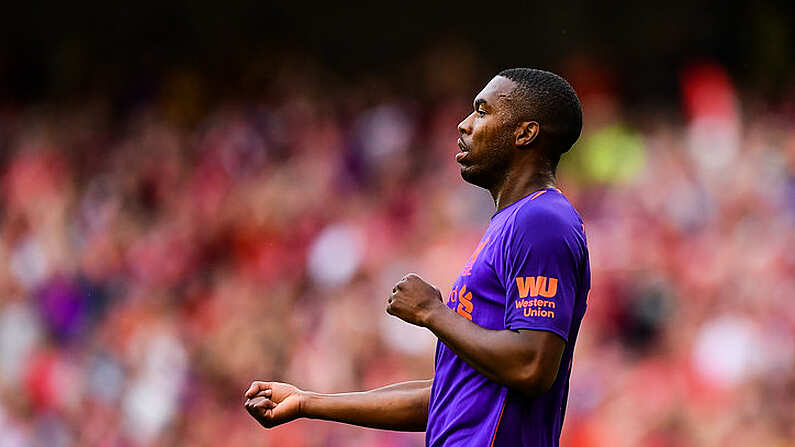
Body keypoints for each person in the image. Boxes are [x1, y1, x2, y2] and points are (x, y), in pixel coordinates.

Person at [244, 68, 590, 446]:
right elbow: (448, 396)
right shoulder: (511, 224)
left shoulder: (542, 221)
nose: (464, 124)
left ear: (525, 133)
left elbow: (532, 365)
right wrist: (308, 401)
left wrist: (432, 312)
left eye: (482, 111)